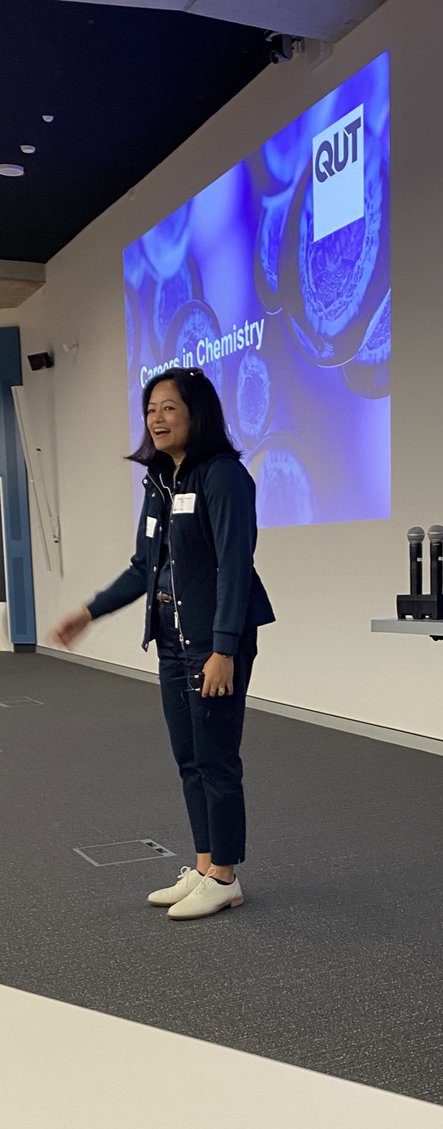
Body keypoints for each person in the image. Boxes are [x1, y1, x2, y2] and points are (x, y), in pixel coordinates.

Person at [52, 367, 275, 920]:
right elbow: (142, 568)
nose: (156, 417)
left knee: (217, 760)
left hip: (213, 644)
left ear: (196, 413)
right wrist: (89, 612)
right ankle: (203, 865)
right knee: (189, 759)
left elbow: (234, 569)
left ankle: (225, 875)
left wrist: (224, 649)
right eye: (151, 408)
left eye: (169, 407)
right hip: (174, 644)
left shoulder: (223, 477)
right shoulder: (160, 483)